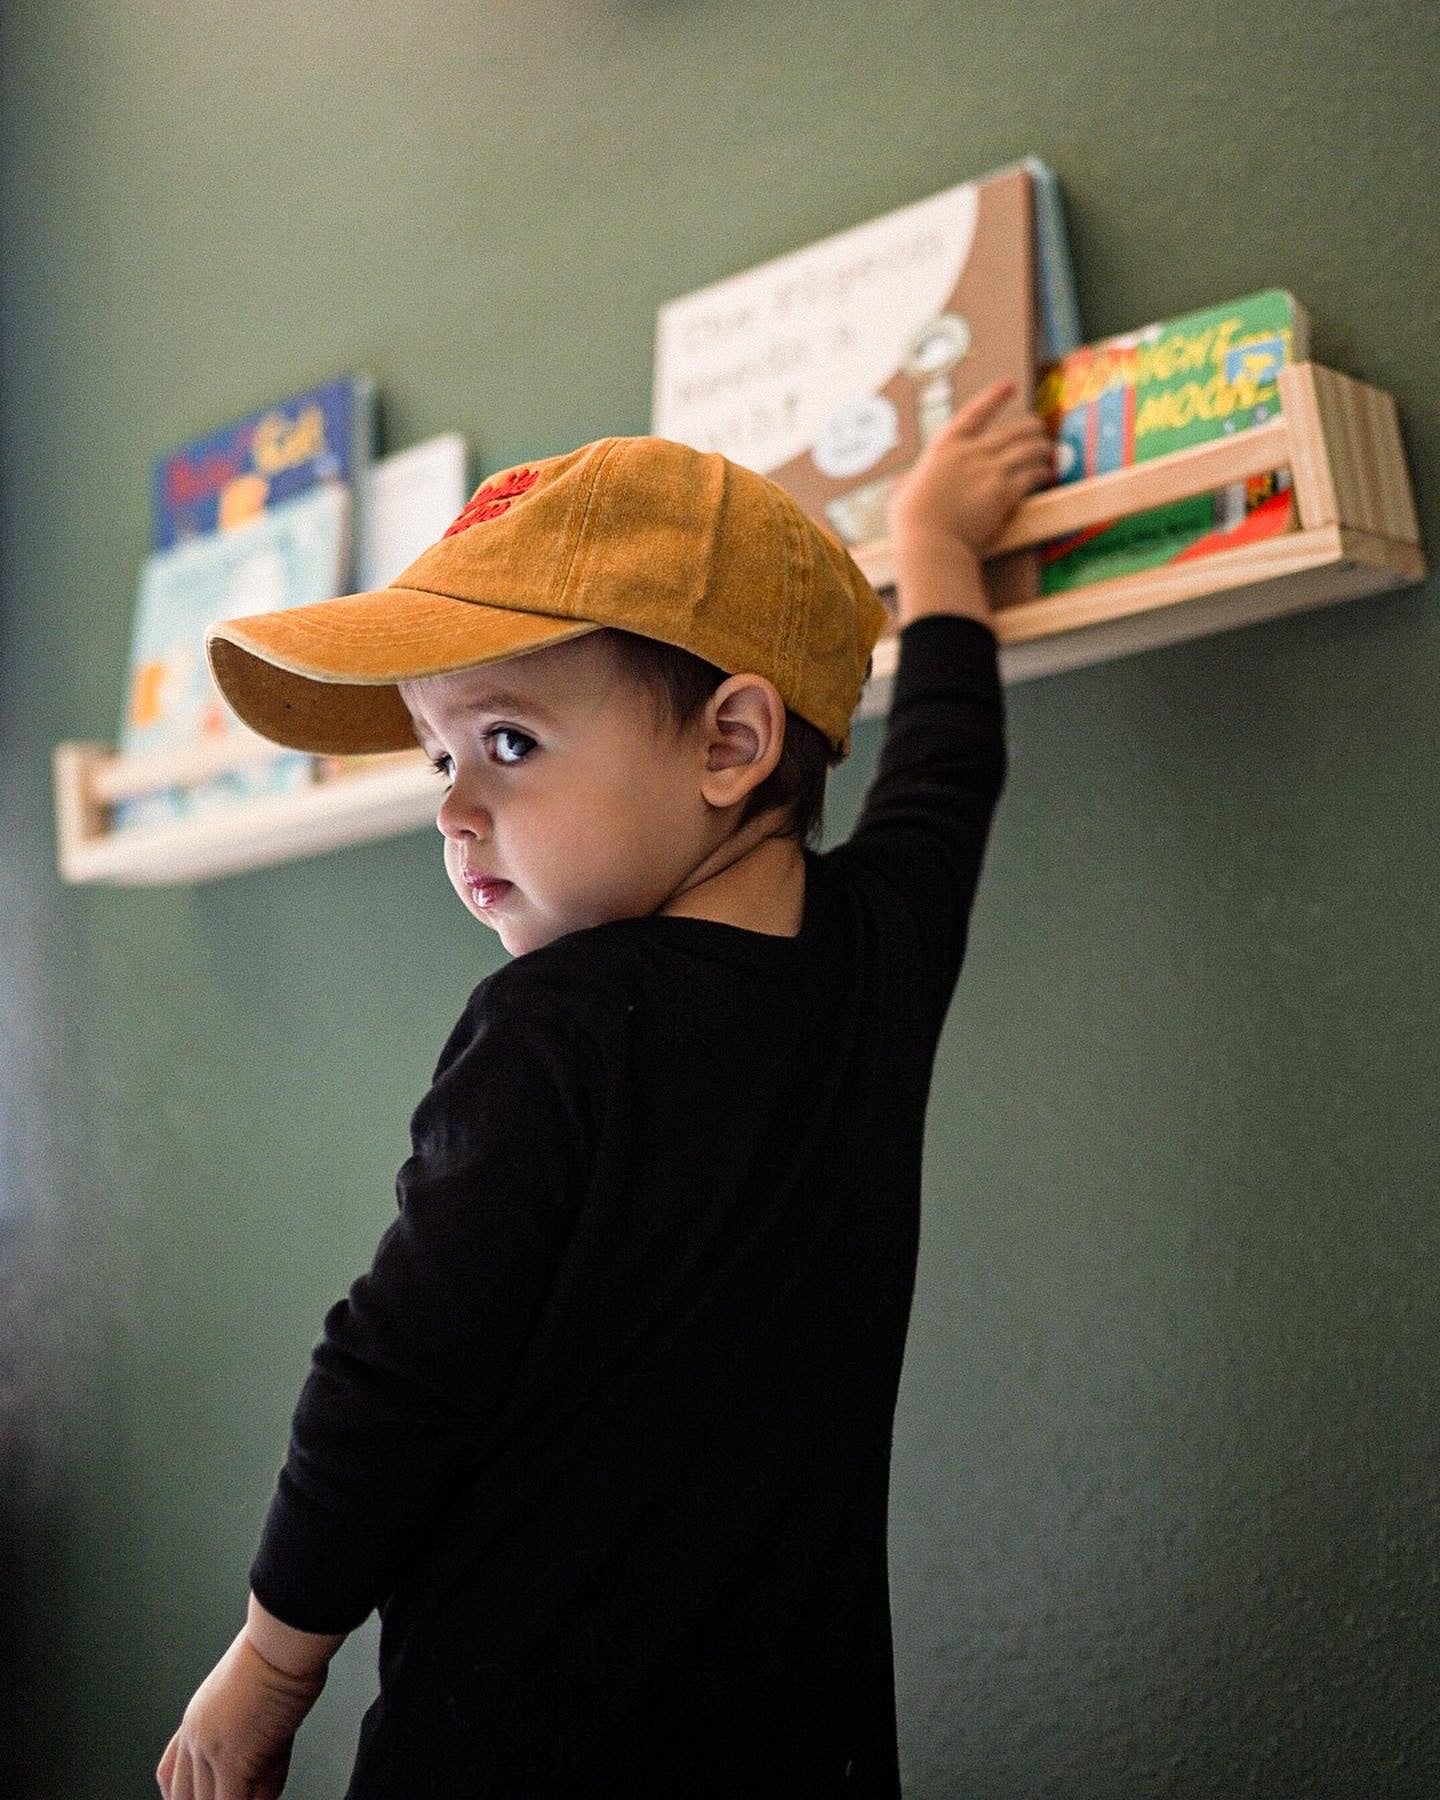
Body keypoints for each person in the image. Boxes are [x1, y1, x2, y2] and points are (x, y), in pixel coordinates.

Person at [156, 379, 1055, 1799]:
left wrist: (273, 1662)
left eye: (507, 742)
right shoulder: (876, 958)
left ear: (732, 743)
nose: (452, 807)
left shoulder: (555, 1031)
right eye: (437, 756)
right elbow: (949, 765)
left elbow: (391, 1378)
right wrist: (940, 543)